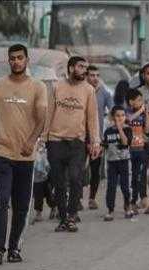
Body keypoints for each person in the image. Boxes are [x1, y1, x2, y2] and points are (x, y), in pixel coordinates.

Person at [0, 44, 48, 264]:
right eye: (12, 58)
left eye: (19, 58)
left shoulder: (38, 87)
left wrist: (30, 141)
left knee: (21, 204)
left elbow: (41, 118)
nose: (16, 61)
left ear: (27, 60)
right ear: (8, 61)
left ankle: (14, 247)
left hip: (25, 155)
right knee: (2, 199)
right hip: (1, 151)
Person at [46, 55, 100, 232]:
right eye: (80, 67)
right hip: (55, 141)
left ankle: (71, 215)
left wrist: (95, 141)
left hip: (77, 142)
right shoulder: (56, 87)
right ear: (70, 68)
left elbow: (92, 118)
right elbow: (48, 114)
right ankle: (63, 218)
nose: (84, 70)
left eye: (85, 67)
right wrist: (42, 138)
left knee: (76, 179)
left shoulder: (88, 90)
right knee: (59, 182)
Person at [85, 65, 113, 210]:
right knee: (78, 170)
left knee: (95, 170)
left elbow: (113, 109)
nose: (95, 78)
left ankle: (92, 198)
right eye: (91, 75)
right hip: (80, 137)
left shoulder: (103, 92)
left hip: (97, 137)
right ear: (86, 76)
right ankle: (76, 198)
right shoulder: (81, 91)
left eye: (97, 75)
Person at [102, 106, 134, 221]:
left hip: (124, 161)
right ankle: (110, 209)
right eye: (117, 115)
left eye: (122, 115)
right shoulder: (108, 131)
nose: (120, 118)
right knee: (111, 186)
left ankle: (127, 206)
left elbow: (126, 142)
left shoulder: (128, 129)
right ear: (112, 117)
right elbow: (104, 146)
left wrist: (120, 128)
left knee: (125, 186)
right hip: (111, 163)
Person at [125, 88, 148, 214]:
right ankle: (132, 200)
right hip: (131, 150)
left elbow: (147, 128)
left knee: (142, 174)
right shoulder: (127, 112)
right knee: (132, 176)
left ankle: (142, 197)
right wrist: (141, 110)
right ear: (131, 102)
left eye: (141, 100)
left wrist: (147, 114)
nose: (141, 102)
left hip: (142, 149)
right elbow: (128, 120)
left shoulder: (143, 115)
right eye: (139, 100)